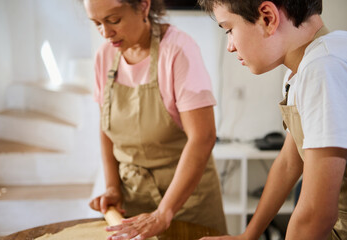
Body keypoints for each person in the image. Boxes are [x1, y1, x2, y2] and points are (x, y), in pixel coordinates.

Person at [198, 0, 347, 239]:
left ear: (267, 18)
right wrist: (248, 236)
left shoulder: (322, 69)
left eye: (229, 30)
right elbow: (289, 162)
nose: (230, 46)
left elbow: (317, 213)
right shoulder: (304, 68)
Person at [82, 0, 228, 239]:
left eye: (113, 20)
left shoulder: (177, 50)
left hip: (187, 203)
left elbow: (203, 137)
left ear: (143, 6)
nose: (105, 33)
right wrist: (112, 187)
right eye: (97, 23)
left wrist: (163, 212)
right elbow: (106, 130)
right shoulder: (104, 56)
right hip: (133, 200)